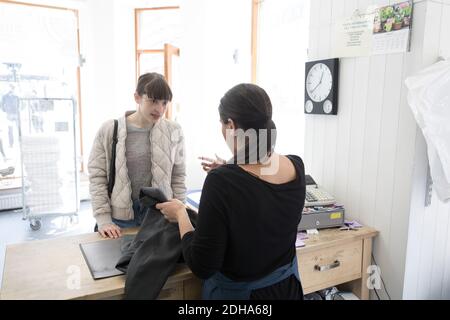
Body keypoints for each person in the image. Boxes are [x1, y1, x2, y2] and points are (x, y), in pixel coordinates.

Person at [157, 83, 306, 300]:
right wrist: (230, 168)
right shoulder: (296, 165)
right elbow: (262, 200)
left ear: (231, 125)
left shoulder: (222, 182)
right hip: (288, 291)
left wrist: (180, 213)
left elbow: (202, 265)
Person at [88, 73, 186, 239]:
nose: (160, 109)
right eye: (153, 101)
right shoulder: (109, 129)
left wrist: (179, 213)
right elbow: (97, 177)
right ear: (137, 97)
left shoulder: (174, 130)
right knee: (113, 263)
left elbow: (178, 176)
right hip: (120, 219)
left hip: (159, 215)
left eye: (164, 103)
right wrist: (103, 219)